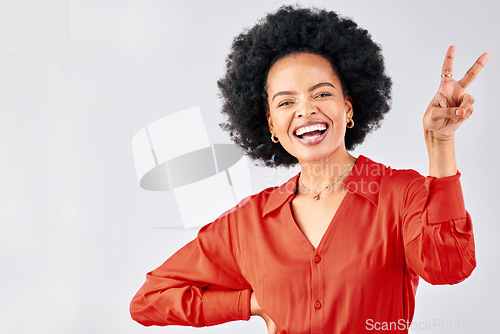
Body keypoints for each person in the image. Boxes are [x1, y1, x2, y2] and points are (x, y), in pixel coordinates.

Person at [130, 5, 489, 333]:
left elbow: (449, 266)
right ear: (271, 124)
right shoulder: (248, 223)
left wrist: (441, 143)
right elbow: (149, 300)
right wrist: (249, 303)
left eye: (321, 94)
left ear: (348, 108)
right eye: (286, 102)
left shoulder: (400, 193)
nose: (305, 111)